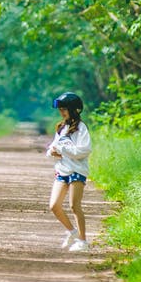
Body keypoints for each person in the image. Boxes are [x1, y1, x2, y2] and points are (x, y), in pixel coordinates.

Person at [46, 92, 92, 252]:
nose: (62, 112)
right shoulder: (61, 128)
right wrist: (52, 151)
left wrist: (63, 149)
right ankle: (72, 232)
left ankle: (83, 241)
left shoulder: (81, 128)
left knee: (74, 206)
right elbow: (53, 147)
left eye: (64, 109)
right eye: (60, 109)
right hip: (62, 171)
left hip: (77, 171)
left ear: (74, 110)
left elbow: (84, 150)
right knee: (54, 206)